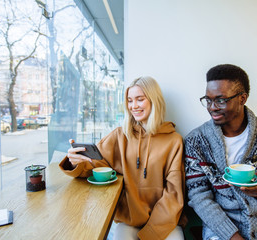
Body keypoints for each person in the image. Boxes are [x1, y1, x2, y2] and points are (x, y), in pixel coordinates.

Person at [59, 76, 185, 240]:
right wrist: (76, 162)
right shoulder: (119, 135)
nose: (133, 106)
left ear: (155, 101)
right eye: (130, 100)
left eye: (140, 99)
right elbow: (96, 166)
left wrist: (151, 233)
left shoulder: (174, 140)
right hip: (128, 221)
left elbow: (174, 194)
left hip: (164, 222)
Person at [184, 64, 257, 240]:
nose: (212, 107)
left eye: (220, 100)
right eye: (208, 100)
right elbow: (198, 196)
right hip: (220, 229)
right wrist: (232, 236)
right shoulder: (196, 140)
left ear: (242, 98)